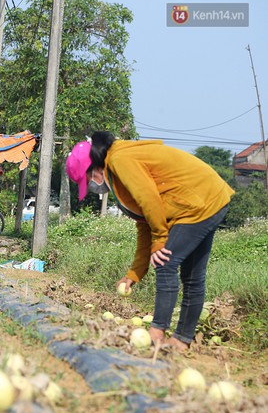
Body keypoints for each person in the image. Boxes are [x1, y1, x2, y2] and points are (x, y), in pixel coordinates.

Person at [66, 131, 234, 351]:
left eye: (88, 180)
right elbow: (144, 222)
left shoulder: (119, 160)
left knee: (165, 262)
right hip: (208, 198)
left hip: (198, 201)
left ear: (95, 168)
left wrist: (160, 241)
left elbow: (149, 198)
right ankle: (182, 340)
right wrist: (134, 274)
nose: (92, 186)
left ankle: (157, 333)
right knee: (191, 275)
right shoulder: (116, 172)